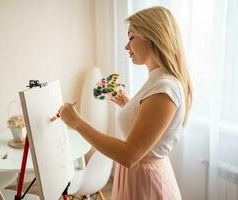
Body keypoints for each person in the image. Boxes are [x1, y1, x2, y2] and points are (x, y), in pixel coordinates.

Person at [59, 6, 192, 200]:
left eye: (131, 37)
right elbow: (150, 126)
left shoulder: (165, 88)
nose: (126, 47)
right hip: (138, 177)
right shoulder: (158, 80)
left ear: (151, 36)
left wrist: (76, 122)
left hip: (146, 183)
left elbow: (129, 154)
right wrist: (130, 105)